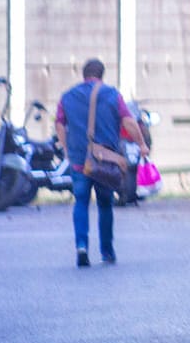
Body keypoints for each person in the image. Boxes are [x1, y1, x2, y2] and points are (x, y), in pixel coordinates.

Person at [53, 59, 148, 268]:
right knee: (105, 204)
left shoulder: (67, 96)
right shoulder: (112, 95)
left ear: (83, 74)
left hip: (79, 160)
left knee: (81, 202)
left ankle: (81, 246)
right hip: (105, 161)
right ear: (102, 74)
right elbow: (129, 122)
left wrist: (66, 148)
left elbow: (59, 123)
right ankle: (107, 251)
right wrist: (141, 143)